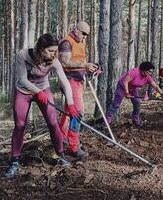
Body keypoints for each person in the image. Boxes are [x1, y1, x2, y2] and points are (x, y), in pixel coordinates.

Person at [5, 33, 79, 179]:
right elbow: (22, 79)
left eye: (55, 51)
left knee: (53, 123)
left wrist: (71, 104)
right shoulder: (23, 55)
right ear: (40, 48)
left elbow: (64, 81)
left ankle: (61, 156)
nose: (54, 54)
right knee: (20, 125)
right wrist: (37, 92)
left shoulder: (54, 61)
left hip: (43, 90)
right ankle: (14, 162)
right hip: (23, 91)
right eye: (50, 50)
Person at [58, 21, 101, 159]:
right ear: (76, 29)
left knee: (68, 112)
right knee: (78, 112)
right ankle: (73, 146)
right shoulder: (66, 42)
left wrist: (90, 68)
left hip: (78, 80)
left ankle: (61, 140)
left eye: (86, 35)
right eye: (83, 33)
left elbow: (79, 62)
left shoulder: (80, 42)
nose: (84, 37)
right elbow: (64, 62)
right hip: (69, 80)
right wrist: (84, 65)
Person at [105, 62, 163, 127]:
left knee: (137, 103)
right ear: (144, 70)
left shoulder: (148, 77)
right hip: (122, 87)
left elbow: (155, 86)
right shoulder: (134, 72)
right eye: (150, 71)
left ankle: (135, 120)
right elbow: (125, 82)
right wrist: (127, 93)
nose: (151, 73)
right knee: (116, 104)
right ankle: (107, 121)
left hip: (132, 88)